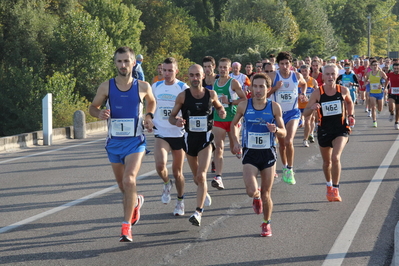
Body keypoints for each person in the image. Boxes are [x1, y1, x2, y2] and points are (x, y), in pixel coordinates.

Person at [89, 46, 156, 242]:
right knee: (122, 185)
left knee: (129, 180)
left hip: (135, 142)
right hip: (114, 143)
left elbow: (151, 102)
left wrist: (149, 116)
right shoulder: (106, 87)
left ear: (134, 63)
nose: (123, 65)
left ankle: (126, 227)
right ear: (115, 63)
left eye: (127, 61)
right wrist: (99, 113)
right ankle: (135, 202)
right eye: (119, 61)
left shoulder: (143, 86)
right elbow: (93, 107)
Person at [169, 64, 226, 226]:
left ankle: (198, 212)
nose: (195, 78)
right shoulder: (182, 96)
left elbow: (220, 107)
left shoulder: (211, 94)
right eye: (191, 75)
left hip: (206, 140)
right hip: (189, 141)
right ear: (188, 77)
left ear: (203, 76)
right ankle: (204, 191)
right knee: (196, 178)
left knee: (201, 176)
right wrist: (177, 121)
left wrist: (221, 111)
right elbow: (171, 117)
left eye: (197, 75)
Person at [231, 73, 286, 237]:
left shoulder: (274, 107)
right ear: (250, 88)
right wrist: (235, 141)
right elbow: (234, 124)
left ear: (268, 89)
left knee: (267, 194)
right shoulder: (244, 106)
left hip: (268, 154)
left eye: (261, 87)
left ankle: (266, 223)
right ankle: (256, 196)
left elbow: (284, 132)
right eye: (255, 86)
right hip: (250, 153)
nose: (258, 90)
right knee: (251, 190)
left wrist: (276, 130)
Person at [303, 63, 355, 202]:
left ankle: (336, 190)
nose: (330, 77)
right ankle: (329, 186)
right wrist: (312, 107)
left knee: (335, 158)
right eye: (328, 74)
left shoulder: (343, 90)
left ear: (337, 75)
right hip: (324, 130)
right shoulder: (317, 93)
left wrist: (351, 116)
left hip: (341, 129)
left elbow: (349, 102)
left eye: (333, 74)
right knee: (327, 163)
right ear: (323, 76)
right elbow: (306, 113)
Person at [152, 57, 188, 216]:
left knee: (177, 172)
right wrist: (147, 119)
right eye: (164, 70)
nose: (166, 74)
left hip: (178, 134)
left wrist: (183, 121)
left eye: (170, 70)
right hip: (162, 132)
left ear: (176, 71)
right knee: (160, 166)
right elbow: (150, 106)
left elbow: (189, 109)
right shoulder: (155, 86)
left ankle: (180, 201)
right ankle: (167, 183)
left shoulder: (182, 87)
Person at [267, 52, 307, 185]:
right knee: (282, 144)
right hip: (278, 115)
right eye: (282, 64)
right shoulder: (273, 76)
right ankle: (284, 166)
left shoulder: (296, 75)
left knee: (289, 140)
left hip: (293, 113)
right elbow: (264, 94)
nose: (284, 66)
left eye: (287, 64)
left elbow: (304, 84)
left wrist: (303, 94)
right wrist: (275, 88)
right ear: (278, 65)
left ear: (291, 64)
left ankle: (290, 169)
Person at [212, 58, 247, 190]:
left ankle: (240, 149)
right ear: (218, 68)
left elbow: (244, 99)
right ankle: (218, 177)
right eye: (220, 67)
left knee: (234, 149)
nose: (222, 69)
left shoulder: (234, 83)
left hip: (232, 119)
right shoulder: (215, 83)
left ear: (229, 69)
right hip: (218, 120)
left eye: (225, 67)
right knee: (219, 147)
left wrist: (230, 101)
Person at [298, 64, 318, 147]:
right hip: (298, 105)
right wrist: (299, 95)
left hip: (309, 105)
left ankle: (305, 139)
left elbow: (317, 92)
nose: (304, 73)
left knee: (307, 121)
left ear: (309, 71)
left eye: (306, 71)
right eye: (302, 71)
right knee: (298, 123)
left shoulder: (313, 81)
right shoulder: (298, 80)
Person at [364, 60, 388, 127]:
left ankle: (379, 109)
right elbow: (365, 80)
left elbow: (387, 80)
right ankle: (374, 121)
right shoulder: (369, 74)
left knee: (380, 108)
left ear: (378, 66)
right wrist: (366, 83)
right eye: (373, 65)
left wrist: (383, 86)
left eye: (376, 65)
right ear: (371, 66)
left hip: (380, 92)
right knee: (373, 107)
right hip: (372, 93)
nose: (375, 66)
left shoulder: (381, 73)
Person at [386, 63, 399, 129]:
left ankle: (396, 122)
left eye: (397, 68)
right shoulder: (390, 74)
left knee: (397, 110)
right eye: (395, 68)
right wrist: (385, 88)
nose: (396, 70)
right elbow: (386, 80)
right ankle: (391, 113)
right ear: (393, 68)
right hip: (392, 93)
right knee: (391, 107)